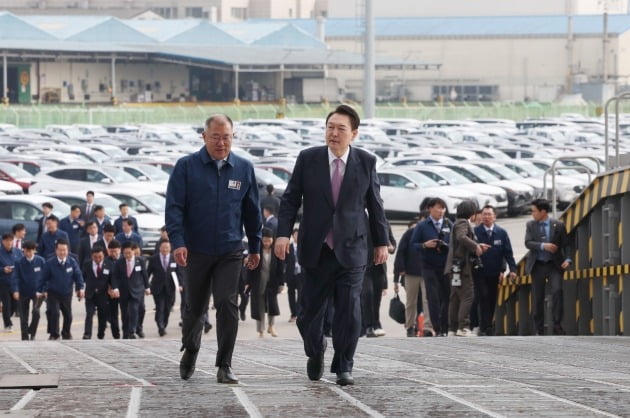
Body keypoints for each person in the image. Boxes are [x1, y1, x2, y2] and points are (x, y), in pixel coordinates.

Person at [275, 104, 389, 386]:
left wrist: (382, 242)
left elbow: (375, 205)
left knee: (349, 310)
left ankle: (344, 366)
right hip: (316, 248)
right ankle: (315, 351)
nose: (334, 133)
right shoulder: (308, 159)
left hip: (352, 248)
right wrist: (282, 234)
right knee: (307, 314)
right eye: (330, 127)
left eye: (341, 129)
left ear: (354, 134)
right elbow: (290, 200)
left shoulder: (366, 162)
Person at [166, 113, 262, 384]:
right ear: (204, 137)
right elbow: (174, 208)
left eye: (227, 137)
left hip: (230, 250)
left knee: (227, 303)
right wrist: (178, 242)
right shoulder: (186, 167)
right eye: (216, 137)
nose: (221, 143)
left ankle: (224, 364)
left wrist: (254, 246)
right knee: (195, 307)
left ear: (233, 137)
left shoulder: (244, 168)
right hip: (195, 250)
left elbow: (252, 211)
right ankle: (191, 349)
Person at [525, 198, 572, 336]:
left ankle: (557, 324)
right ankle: (539, 328)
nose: (532, 214)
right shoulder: (530, 225)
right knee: (538, 297)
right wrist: (543, 246)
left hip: (554, 265)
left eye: (534, 211)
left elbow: (566, 244)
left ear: (543, 212)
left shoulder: (558, 225)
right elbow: (528, 243)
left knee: (557, 291)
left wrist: (568, 259)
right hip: (538, 265)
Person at [444, 200, 489, 337]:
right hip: (462, 267)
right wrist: (476, 247)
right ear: (472, 212)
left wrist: (477, 245)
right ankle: (463, 326)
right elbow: (461, 237)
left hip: (455, 266)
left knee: (455, 297)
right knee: (468, 296)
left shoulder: (457, 222)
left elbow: (460, 240)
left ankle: (452, 328)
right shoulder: (463, 222)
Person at [472, 205, 517, 336]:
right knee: (482, 297)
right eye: (484, 214)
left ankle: (489, 325)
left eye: (489, 214)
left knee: (492, 299)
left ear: (494, 217)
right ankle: (484, 326)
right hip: (479, 272)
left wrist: (512, 269)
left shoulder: (501, 233)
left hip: (495, 273)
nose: (486, 217)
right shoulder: (475, 232)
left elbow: (508, 253)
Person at [410, 197, 452, 336]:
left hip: (445, 266)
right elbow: (413, 244)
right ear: (430, 209)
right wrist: (425, 245)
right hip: (428, 266)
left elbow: (455, 243)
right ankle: (437, 328)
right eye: (438, 208)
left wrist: (446, 247)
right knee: (432, 297)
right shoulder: (422, 226)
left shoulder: (448, 224)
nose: (441, 211)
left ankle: (446, 327)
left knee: (447, 296)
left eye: (443, 208)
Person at [394, 218, 435, 337]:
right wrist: (400, 269)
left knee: (427, 300)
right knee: (411, 301)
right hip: (411, 272)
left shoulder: (431, 234)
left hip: (427, 272)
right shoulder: (409, 233)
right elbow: (401, 251)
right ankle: (410, 326)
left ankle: (427, 326)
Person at [40, 239, 85, 340]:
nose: (62, 252)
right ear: (56, 250)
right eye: (60, 250)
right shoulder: (50, 263)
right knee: (54, 313)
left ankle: (66, 332)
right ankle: (54, 334)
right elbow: (43, 278)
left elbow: (78, 276)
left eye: (64, 250)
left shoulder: (72, 262)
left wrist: (80, 288)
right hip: (53, 293)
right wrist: (41, 290)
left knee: (68, 316)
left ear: (68, 250)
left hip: (66, 293)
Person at [246, 228, 284, 338]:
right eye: (265, 240)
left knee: (272, 306)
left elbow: (280, 268)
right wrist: (248, 282)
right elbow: (250, 267)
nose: (267, 243)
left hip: (272, 283)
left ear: (273, 240)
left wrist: (281, 283)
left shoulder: (276, 250)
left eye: (269, 240)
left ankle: (271, 326)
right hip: (258, 283)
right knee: (259, 307)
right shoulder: (256, 250)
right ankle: (260, 330)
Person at [362, 223, 396, 337]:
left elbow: (392, 246)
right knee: (367, 293)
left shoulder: (384, 222)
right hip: (364, 266)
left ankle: (376, 323)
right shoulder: (360, 218)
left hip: (379, 266)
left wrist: (388, 246)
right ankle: (368, 326)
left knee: (377, 298)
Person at [111, 241, 150, 339]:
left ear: (134, 251)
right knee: (124, 313)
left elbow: (144, 275)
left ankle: (132, 331)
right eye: (125, 253)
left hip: (137, 290)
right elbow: (115, 276)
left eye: (129, 253)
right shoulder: (119, 262)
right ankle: (125, 332)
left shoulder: (140, 261)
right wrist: (115, 288)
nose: (127, 255)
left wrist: (147, 287)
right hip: (124, 291)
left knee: (134, 310)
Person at [11, 240, 45, 340]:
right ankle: (24, 336)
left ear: (34, 250)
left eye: (30, 251)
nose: (28, 253)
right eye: (26, 251)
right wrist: (15, 290)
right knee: (23, 316)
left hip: (38, 293)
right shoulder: (19, 262)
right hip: (23, 291)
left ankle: (32, 332)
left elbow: (46, 276)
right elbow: (15, 277)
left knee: (36, 312)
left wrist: (44, 290)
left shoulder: (41, 261)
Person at [148, 240, 183, 337]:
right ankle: (161, 327)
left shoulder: (174, 258)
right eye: (163, 247)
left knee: (167, 308)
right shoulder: (153, 259)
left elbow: (179, 273)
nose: (165, 249)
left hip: (170, 287)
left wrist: (180, 284)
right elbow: (148, 273)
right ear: (160, 248)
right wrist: (146, 287)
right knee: (160, 307)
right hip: (157, 287)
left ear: (170, 248)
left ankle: (164, 323)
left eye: (167, 248)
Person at [82, 246, 113, 340]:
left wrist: (113, 288)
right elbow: (82, 277)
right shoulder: (87, 264)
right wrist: (81, 289)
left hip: (103, 294)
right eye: (95, 257)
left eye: (100, 256)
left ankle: (101, 333)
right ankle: (87, 334)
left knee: (102, 315)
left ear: (103, 255)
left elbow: (112, 278)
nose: (98, 259)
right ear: (92, 256)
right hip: (90, 294)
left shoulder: (108, 264)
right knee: (89, 313)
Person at [0, 232, 23, 332]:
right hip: (3, 281)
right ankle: (7, 323)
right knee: (6, 303)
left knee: (15, 303)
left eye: (11, 240)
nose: (9, 243)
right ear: (3, 242)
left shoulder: (18, 252)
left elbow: (22, 264)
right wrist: (2, 269)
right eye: (7, 241)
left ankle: (9, 316)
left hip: (16, 282)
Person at [284, 228, 302, 322]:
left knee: (300, 295)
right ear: (292, 236)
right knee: (291, 295)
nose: (297, 236)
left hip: (300, 274)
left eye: (298, 234)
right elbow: (284, 261)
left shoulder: (303, 247)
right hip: (291, 274)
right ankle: (293, 314)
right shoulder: (289, 247)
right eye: (295, 234)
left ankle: (298, 313)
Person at [106, 239, 122, 339]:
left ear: (119, 250)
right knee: (113, 315)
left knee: (127, 313)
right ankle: (116, 335)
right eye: (111, 251)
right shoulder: (106, 261)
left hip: (124, 290)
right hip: (111, 292)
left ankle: (129, 332)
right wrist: (109, 289)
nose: (113, 253)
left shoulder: (124, 260)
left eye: (115, 251)